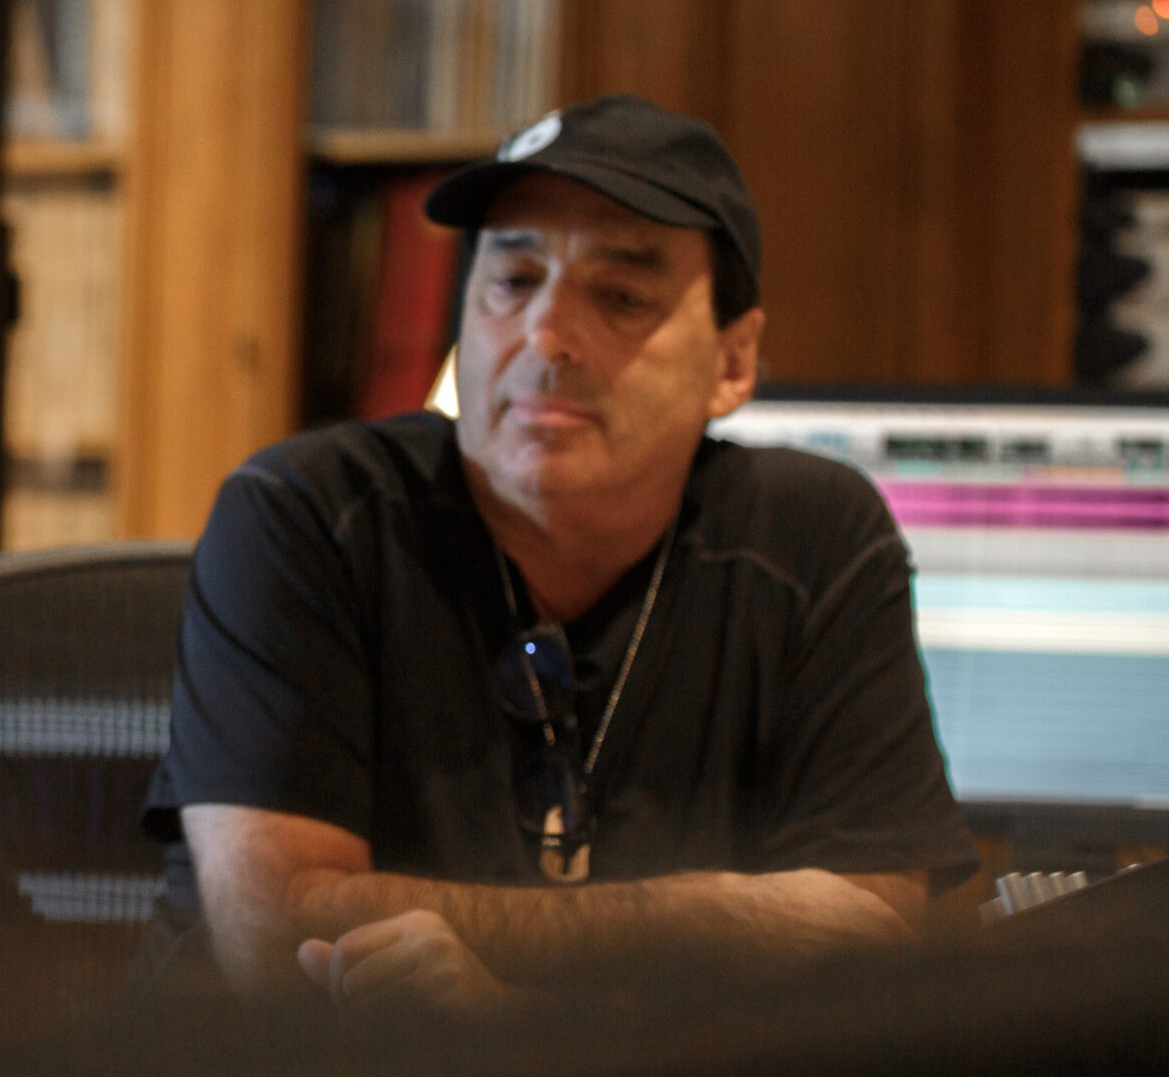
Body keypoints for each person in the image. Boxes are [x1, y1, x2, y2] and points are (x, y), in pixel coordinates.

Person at [143, 94, 978, 1014]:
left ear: (733, 362)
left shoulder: (815, 540)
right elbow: (277, 937)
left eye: (620, 298)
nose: (544, 338)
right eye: (512, 280)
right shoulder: (305, 515)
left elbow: (864, 942)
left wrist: (511, 1005)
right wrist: (707, 917)